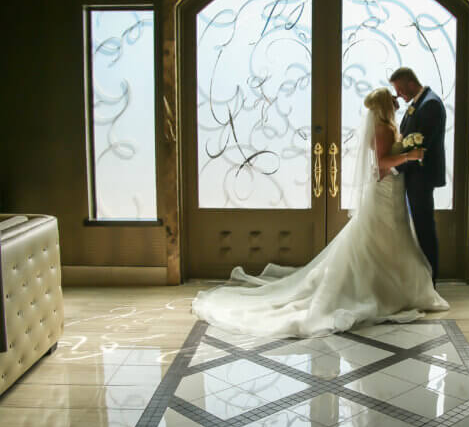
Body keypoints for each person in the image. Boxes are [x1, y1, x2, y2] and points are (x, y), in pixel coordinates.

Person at [191, 87, 449, 338]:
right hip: (384, 192)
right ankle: (382, 292)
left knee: (388, 241)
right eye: (391, 98)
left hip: (389, 191)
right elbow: (382, 164)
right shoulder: (382, 128)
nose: (396, 100)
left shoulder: (388, 125)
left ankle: (394, 290)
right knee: (381, 241)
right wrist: (410, 156)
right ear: (384, 105)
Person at [389, 67, 446, 286]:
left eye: (400, 90)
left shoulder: (430, 104)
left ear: (410, 83)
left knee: (424, 228)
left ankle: (430, 280)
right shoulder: (416, 103)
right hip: (414, 176)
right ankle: (420, 278)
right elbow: (405, 137)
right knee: (418, 227)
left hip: (422, 177)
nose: (400, 95)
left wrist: (393, 168)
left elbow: (421, 145)